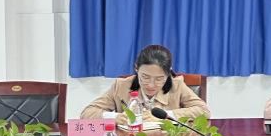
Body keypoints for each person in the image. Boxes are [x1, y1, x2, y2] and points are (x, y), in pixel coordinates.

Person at [81, 44, 209, 123]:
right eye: (145, 77)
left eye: (159, 79)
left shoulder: (177, 85)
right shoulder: (121, 86)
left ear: (168, 73)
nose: (151, 85)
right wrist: (115, 117)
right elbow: (87, 113)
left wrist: (167, 116)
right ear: (136, 68)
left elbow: (204, 111)